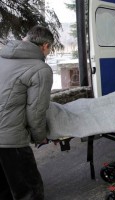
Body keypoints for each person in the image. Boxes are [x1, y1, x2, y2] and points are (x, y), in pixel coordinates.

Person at [0, 25, 54, 200]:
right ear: (45, 46)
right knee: (29, 192)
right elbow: (36, 111)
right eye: (50, 49)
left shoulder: (2, 57)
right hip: (10, 141)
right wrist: (40, 137)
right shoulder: (40, 69)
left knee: (4, 191)